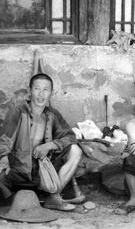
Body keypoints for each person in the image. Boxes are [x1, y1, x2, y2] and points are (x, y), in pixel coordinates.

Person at [0, 73, 83, 211]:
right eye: (37, 88)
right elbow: (3, 142)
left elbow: (70, 136)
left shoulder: (53, 114)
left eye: (46, 89)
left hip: (42, 174)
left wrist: (50, 145)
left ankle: (54, 197)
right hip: (16, 171)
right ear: (30, 91)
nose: (41, 94)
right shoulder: (17, 112)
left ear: (51, 93)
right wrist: (3, 163)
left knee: (76, 150)